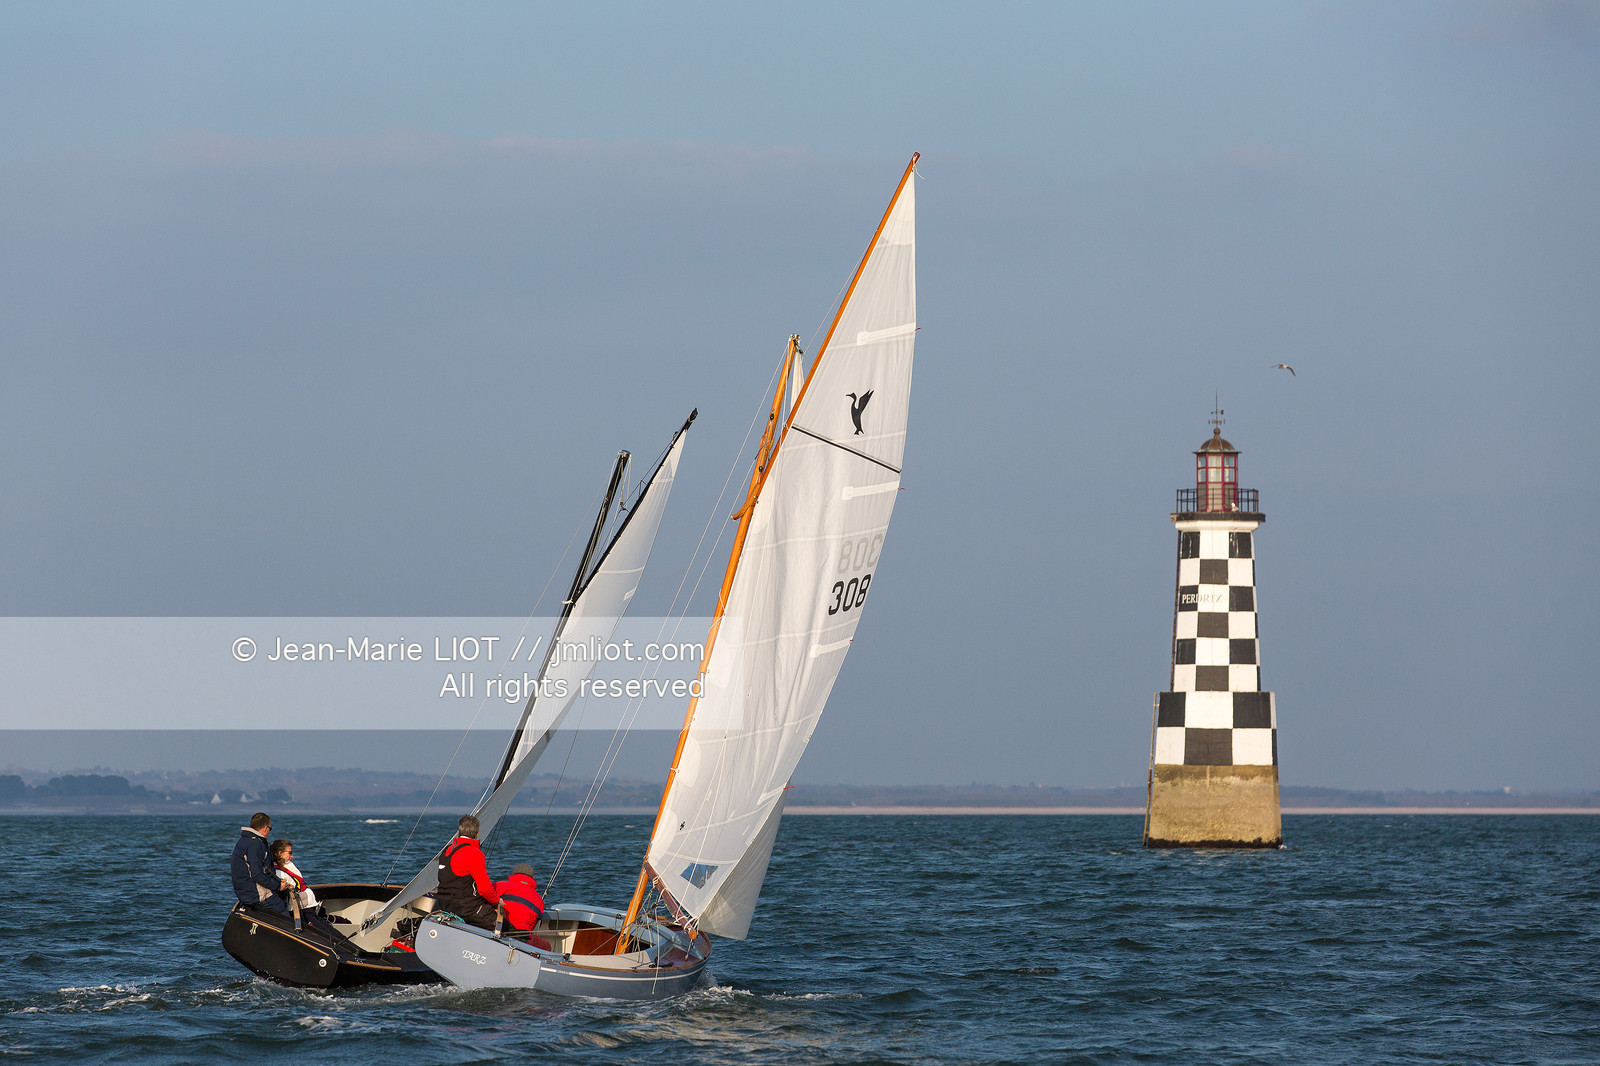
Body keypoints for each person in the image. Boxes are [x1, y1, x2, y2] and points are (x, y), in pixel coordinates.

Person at [433, 814, 500, 930]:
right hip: (467, 908)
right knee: (505, 927)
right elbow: (484, 888)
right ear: (477, 833)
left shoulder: (447, 850)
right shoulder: (474, 853)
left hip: (444, 905)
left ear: (459, 831)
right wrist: (497, 901)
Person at [231, 812, 289, 915]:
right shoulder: (255, 844)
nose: (269, 832)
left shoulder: (244, 840)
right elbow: (257, 875)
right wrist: (277, 886)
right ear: (265, 828)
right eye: (270, 829)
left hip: (244, 892)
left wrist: (279, 883)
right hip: (256, 894)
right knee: (283, 913)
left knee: (284, 895)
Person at [269, 838, 319, 910]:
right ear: (280, 853)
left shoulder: (287, 865)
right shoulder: (277, 872)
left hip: (308, 904)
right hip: (301, 907)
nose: (292, 856)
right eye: (290, 853)